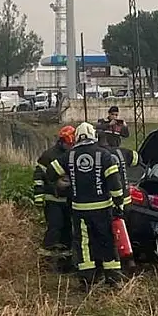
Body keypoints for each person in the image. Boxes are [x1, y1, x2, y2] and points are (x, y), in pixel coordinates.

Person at [46, 122, 125, 288]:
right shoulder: (104, 155)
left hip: (79, 209)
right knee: (106, 240)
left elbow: (51, 172)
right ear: (93, 136)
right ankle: (113, 278)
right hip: (103, 208)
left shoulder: (70, 156)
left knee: (84, 244)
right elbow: (115, 184)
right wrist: (119, 204)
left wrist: (65, 181)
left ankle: (87, 280)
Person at [33, 125, 76, 268]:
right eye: (69, 144)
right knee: (55, 227)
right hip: (53, 199)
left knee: (67, 229)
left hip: (69, 200)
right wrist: (39, 196)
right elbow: (38, 176)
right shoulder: (49, 155)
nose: (71, 146)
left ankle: (65, 263)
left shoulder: (74, 154)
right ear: (62, 141)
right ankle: (45, 261)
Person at [97, 129, 141, 208]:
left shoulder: (98, 155)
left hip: (109, 202)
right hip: (126, 198)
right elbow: (138, 160)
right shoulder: (123, 151)